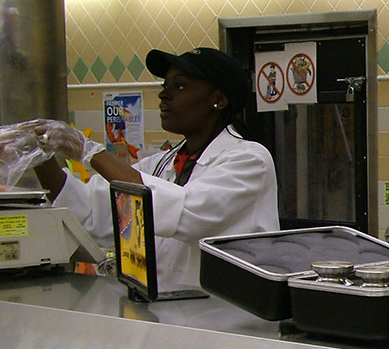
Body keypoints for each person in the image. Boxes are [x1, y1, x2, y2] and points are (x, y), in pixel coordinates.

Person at [32, 47, 279, 288]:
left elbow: (183, 213)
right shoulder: (162, 164)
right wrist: (37, 155)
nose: (164, 95)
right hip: (168, 315)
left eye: (179, 86)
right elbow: (89, 211)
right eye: (165, 86)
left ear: (218, 100)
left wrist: (88, 151)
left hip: (227, 318)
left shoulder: (249, 161)